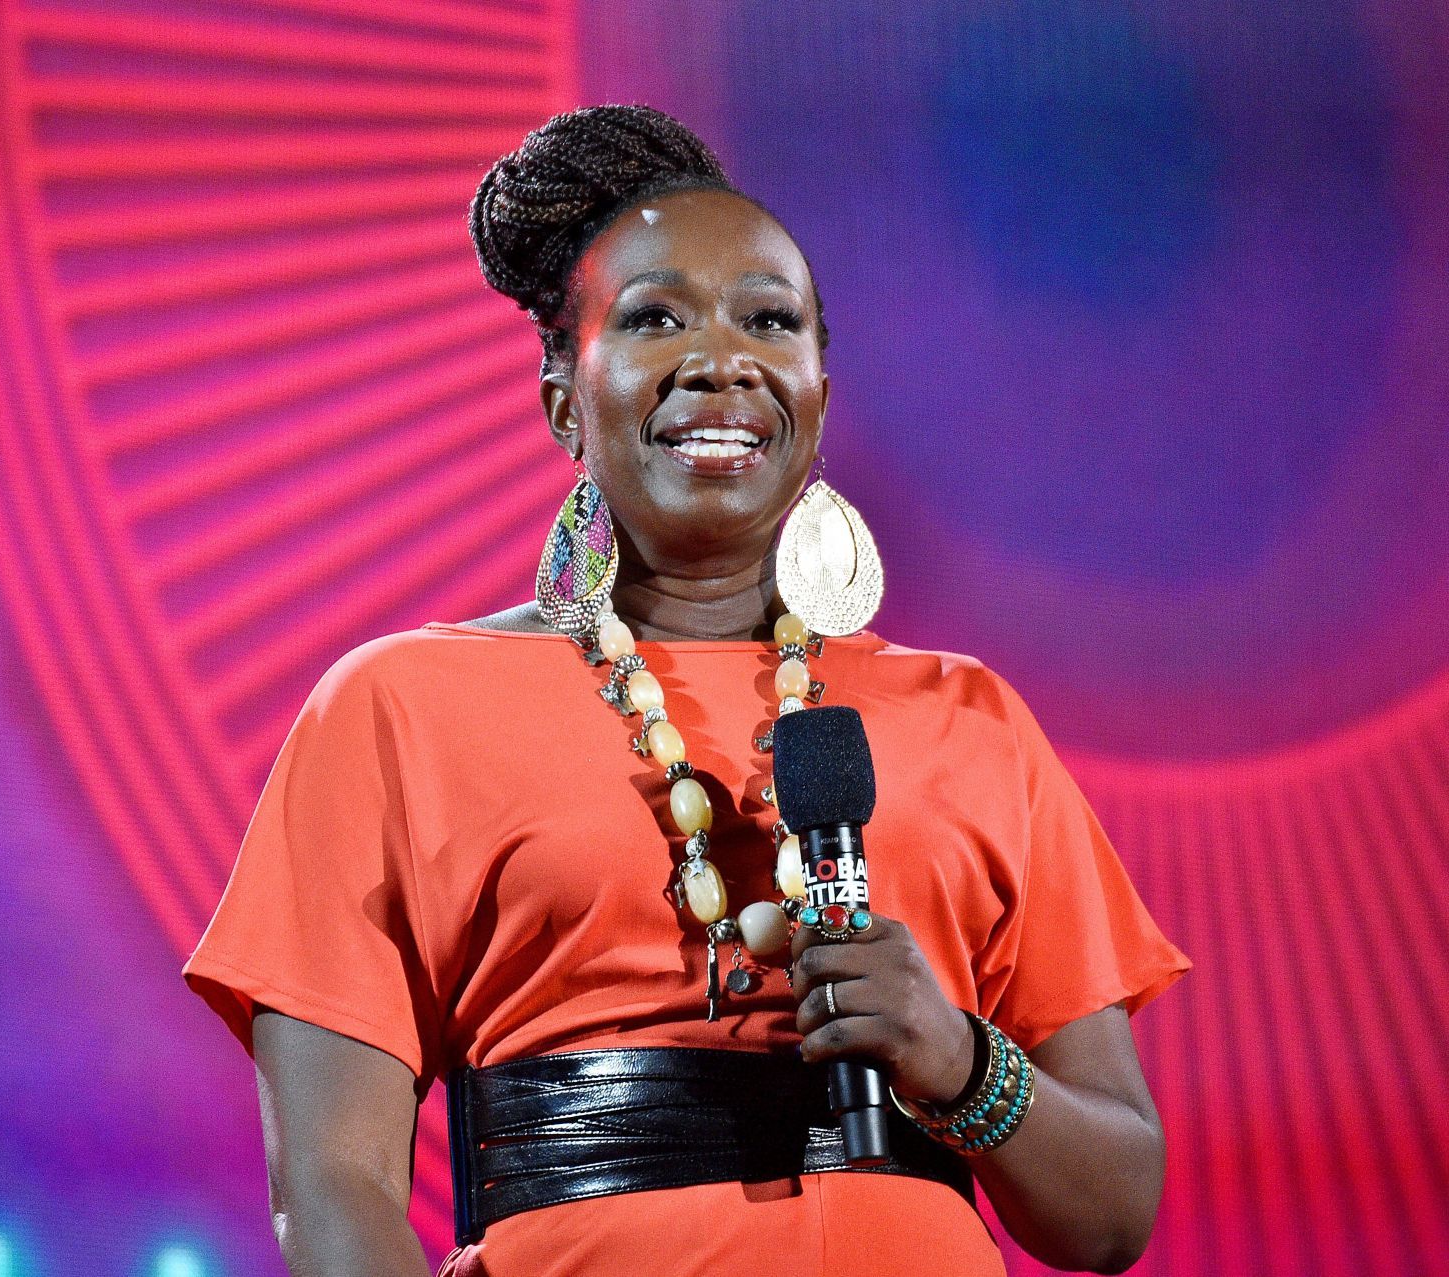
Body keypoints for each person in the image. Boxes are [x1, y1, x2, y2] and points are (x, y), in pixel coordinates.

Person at [183, 105, 1189, 1277]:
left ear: (817, 392)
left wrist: (956, 1053)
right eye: (657, 317)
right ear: (565, 395)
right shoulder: (398, 706)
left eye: (770, 319)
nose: (722, 358)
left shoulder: (971, 718)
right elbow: (333, 1184)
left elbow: (1112, 1209)